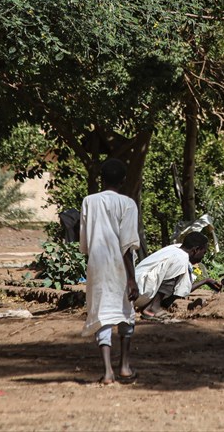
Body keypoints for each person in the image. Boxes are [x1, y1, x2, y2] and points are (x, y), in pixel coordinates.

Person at [78, 158, 140, 385]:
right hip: (121, 267)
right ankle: (124, 367)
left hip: (97, 264)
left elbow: (84, 241)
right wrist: (131, 279)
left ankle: (107, 372)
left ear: (102, 178)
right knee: (125, 311)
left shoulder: (89, 201)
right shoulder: (128, 204)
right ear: (123, 180)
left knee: (101, 313)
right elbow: (128, 244)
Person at [134, 231, 222, 317]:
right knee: (175, 276)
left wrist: (206, 281)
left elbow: (183, 288)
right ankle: (152, 308)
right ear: (196, 250)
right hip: (139, 290)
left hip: (135, 289)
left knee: (180, 280)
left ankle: (161, 305)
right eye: (204, 252)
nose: (203, 256)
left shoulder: (176, 249)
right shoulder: (180, 258)